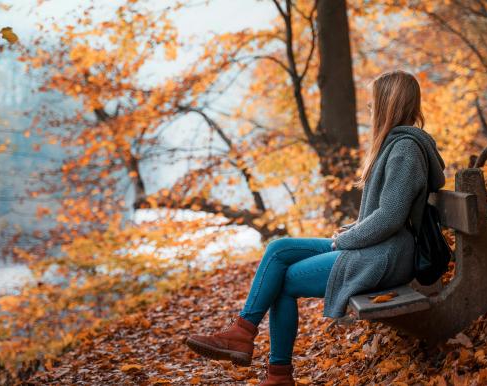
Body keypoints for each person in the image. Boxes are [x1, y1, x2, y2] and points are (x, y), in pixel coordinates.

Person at [184, 69, 447, 386]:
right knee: (278, 249)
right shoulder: (397, 145)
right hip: (380, 247)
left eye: (372, 103)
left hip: (387, 255)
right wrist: (350, 231)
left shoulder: (404, 149)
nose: (369, 109)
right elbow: (385, 212)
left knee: (283, 281)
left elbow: (389, 217)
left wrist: (346, 239)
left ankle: (274, 370)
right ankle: (244, 333)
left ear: (388, 104)